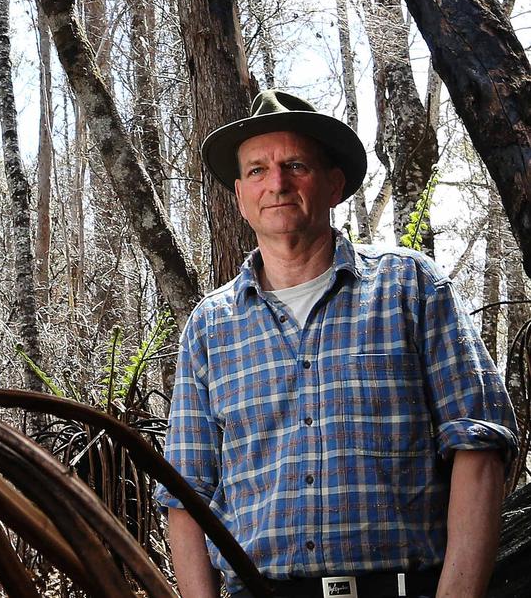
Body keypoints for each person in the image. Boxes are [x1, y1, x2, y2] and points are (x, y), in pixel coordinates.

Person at [155, 89, 518, 598]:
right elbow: (185, 493)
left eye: (296, 165)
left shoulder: (411, 287)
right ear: (240, 196)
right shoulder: (210, 326)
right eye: (257, 170)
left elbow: (477, 445)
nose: (276, 183)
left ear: (333, 183)